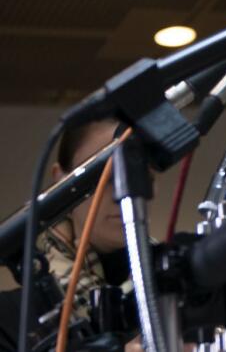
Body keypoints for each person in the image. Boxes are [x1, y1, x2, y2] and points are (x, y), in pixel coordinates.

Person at [0, 119, 139, 352]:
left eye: (139, 173)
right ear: (61, 181)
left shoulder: (178, 299)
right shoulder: (8, 317)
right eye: (104, 174)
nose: (121, 191)